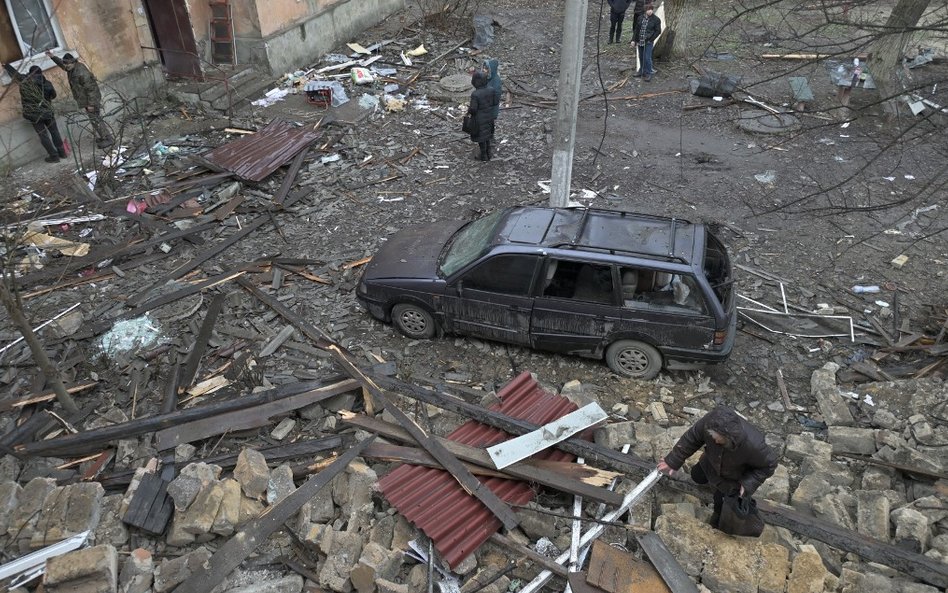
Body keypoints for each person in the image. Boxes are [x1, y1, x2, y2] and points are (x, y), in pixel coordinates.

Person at [657, 406, 778, 528]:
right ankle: (710, 485)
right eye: (712, 436)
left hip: (732, 478)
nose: (714, 441)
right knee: (696, 475)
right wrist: (673, 460)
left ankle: (718, 525)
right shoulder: (711, 421)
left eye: (718, 438)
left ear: (729, 438)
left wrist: (748, 483)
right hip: (711, 462)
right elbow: (692, 437)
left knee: (720, 504)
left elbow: (770, 465)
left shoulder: (754, 445)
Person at [46, 50, 113, 148]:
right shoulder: (71, 68)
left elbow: (91, 89)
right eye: (65, 64)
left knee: (96, 119)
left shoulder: (81, 72)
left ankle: (108, 139)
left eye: (68, 64)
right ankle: (103, 137)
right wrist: (52, 57)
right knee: (94, 119)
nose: (66, 66)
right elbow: (62, 64)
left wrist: (91, 104)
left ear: (73, 62)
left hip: (91, 99)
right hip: (85, 99)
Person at [2, 62, 66, 163]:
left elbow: (15, 73)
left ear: (30, 73)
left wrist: (6, 65)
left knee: (43, 135)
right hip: (48, 112)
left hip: (35, 115)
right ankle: (62, 153)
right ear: (41, 73)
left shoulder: (24, 81)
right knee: (54, 132)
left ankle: (54, 156)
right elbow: (53, 96)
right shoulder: (47, 83)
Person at [467, 68, 499, 162]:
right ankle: (489, 153)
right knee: (488, 135)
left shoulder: (475, 94)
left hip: (479, 119)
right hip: (489, 116)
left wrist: (468, 110)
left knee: (481, 138)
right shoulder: (491, 90)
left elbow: (473, 109)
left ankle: (484, 155)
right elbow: (495, 102)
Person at [632, 4, 662, 81]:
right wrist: (634, 40)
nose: (650, 11)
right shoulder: (640, 17)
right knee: (641, 57)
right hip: (640, 41)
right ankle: (641, 71)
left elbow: (658, 31)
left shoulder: (656, 19)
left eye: (651, 9)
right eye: (648, 10)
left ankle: (648, 73)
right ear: (645, 10)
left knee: (647, 58)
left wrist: (651, 39)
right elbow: (636, 30)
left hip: (648, 42)